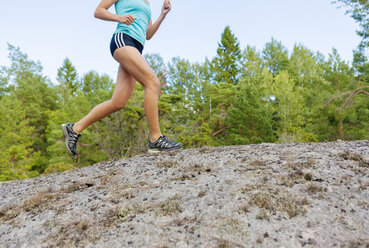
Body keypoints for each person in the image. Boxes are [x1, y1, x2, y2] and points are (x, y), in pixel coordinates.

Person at [62, 0, 182, 155]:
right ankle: (155, 138)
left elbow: (148, 34)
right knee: (152, 83)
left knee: (118, 102)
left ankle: (74, 128)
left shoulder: (147, 4)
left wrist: (162, 15)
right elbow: (98, 11)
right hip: (123, 40)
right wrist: (119, 18)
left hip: (136, 47)